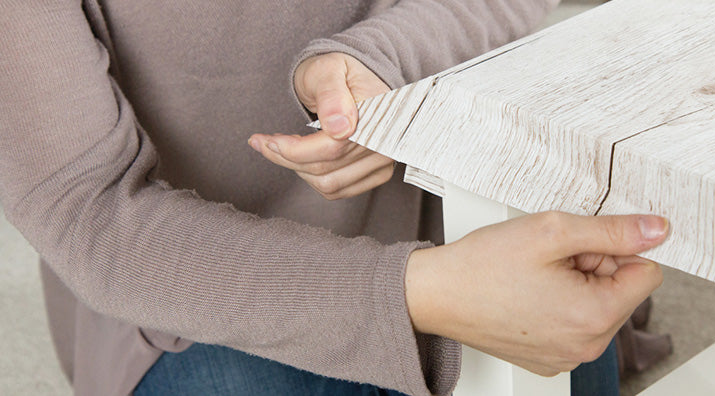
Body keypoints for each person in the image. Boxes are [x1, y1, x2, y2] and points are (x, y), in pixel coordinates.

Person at [0, 1, 669, 395]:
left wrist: (382, 63)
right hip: (181, 298)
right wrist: (415, 294)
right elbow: (89, 207)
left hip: (459, 215)